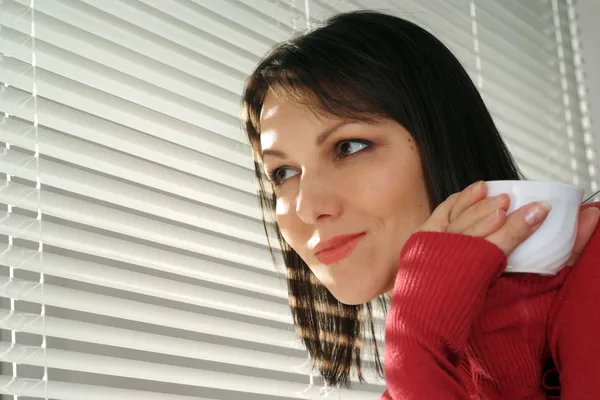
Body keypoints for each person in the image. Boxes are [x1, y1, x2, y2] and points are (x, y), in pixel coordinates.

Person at [241, 10, 600, 399]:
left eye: (349, 147)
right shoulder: (412, 379)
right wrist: (417, 342)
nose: (308, 207)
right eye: (282, 173)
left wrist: (416, 340)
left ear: (441, 140)